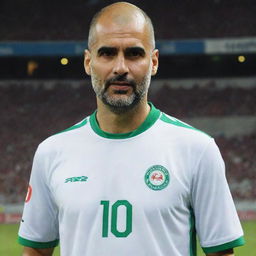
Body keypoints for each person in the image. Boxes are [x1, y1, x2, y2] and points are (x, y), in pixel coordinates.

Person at [18, 2, 245, 256]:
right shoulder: (52, 152)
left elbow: (220, 253)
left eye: (135, 54)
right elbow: (35, 251)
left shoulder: (198, 149)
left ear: (154, 62)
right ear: (88, 62)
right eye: (107, 53)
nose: (121, 68)